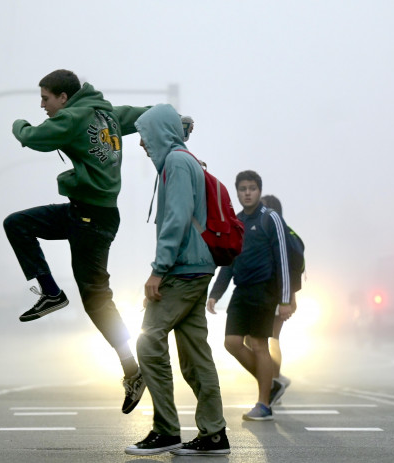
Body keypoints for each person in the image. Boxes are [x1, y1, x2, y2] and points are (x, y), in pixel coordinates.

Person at [3, 69, 149, 414]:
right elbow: (145, 114)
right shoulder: (106, 113)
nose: (42, 106)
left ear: (64, 98)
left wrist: (18, 124)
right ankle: (50, 292)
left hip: (91, 219)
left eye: (45, 98)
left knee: (97, 299)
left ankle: (135, 369)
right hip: (83, 212)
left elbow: (34, 138)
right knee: (17, 224)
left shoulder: (71, 117)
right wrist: (178, 119)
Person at [125, 104, 230, 456]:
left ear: (159, 132)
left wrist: (158, 269)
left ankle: (167, 430)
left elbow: (177, 218)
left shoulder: (176, 163)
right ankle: (214, 434)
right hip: (197, 268)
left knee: (148, 342)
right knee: (195, 355)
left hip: (183, 269)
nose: (141, 142)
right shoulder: (184, 160)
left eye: (144, 134)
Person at [206, 170, 293, 421]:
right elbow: (229, 260)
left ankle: (263, 404)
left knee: (258, 345)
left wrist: (285, 300)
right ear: (237, 192)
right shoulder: (236, 220)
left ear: (259, 190)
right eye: (243, 189)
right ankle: (270, 384)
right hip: (241, 290)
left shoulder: (271, 218)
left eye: (252, 188)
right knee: (231, 343)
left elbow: (283, 260)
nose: (247, 193)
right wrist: (215, 293)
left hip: (264, 290)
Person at [260, 194, 297, 405]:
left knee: (270, 340)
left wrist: (289, 299)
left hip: (277, 297)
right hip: (272, 296)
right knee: (267, 340)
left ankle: (274, 383)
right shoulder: (278, 233)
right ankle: (274, 380)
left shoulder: (280, 235)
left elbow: (289, 270)